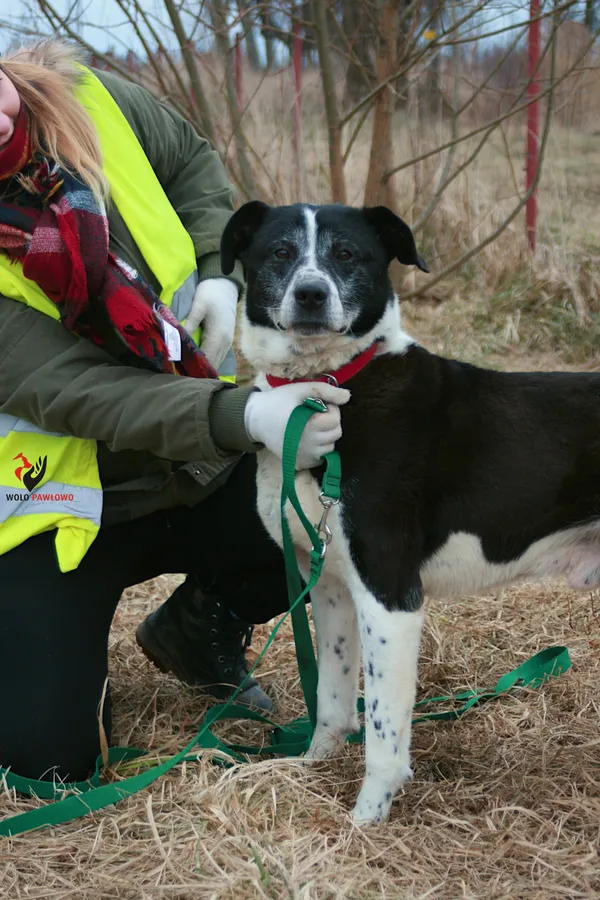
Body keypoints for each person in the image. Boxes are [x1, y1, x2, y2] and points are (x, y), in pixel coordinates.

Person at [0, 39, 349, 785]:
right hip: (57, 513)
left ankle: (197, 630)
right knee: (48, 759)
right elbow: (84, 391)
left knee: (330, 507)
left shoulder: (88, 97)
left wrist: (221, 271)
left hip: (193, 468)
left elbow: (191, 162)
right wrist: (245, 416)